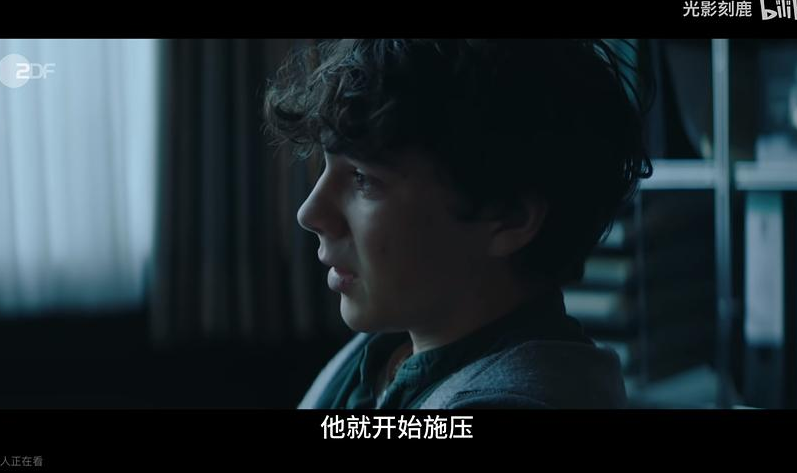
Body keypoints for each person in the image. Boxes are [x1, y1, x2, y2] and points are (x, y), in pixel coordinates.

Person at [263, 39, 652, 409]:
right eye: (326, 164)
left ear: (509, 216)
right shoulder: (391, 346)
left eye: (363, 178)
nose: (309, 214)